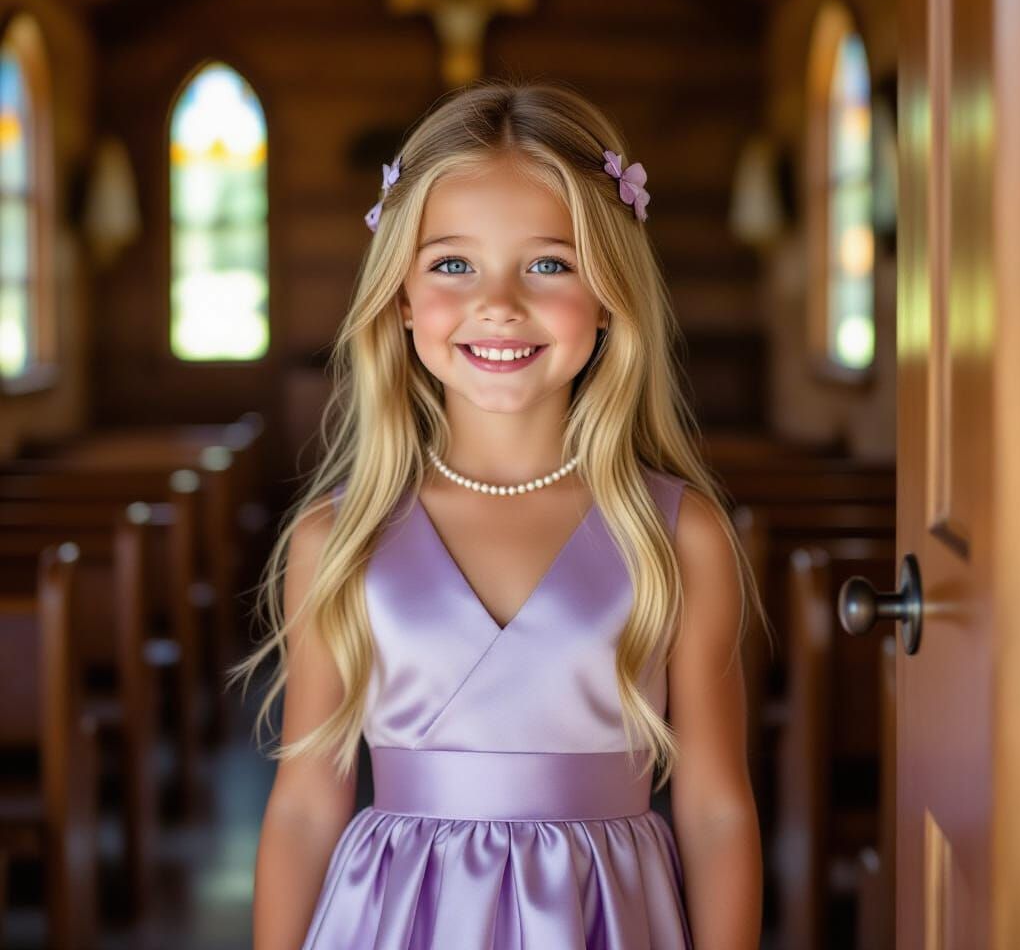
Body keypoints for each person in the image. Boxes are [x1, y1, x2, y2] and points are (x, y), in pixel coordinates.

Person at [231, 78, 770, 950]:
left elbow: (714, 809)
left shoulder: (676, 534)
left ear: (607, 296)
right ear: (402, 298)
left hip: (604, 920)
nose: (499, 303)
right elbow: (302, 809)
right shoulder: (338, 539)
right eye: (452, 264)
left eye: (548, 264)